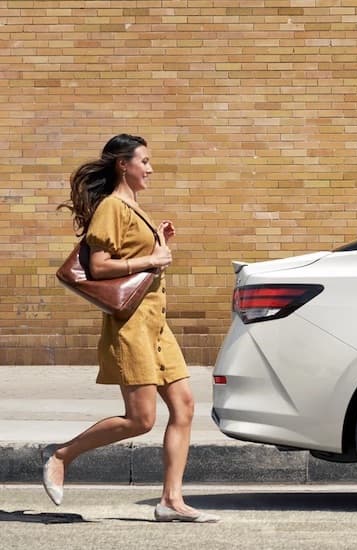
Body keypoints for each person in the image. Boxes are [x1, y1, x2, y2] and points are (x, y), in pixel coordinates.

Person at [47, 134, 219, 523]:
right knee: (140, 419)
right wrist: (150, 258)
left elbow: (140, 257)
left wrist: (158, 242)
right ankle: (61, 455)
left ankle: (170, 501)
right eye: (144, 161)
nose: (150, 168)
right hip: (131, 324)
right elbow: (98, 268)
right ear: (123, 164)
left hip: (156, 323)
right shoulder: (112, 206)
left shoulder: (133, 206)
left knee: (185, 407)